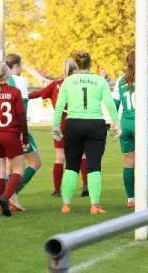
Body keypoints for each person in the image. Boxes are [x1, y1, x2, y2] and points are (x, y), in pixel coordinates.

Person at [52, 50, 120, 214]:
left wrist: (55, 126)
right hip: (95, 124)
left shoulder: (68, 81)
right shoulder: (99, 81)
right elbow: (109, 104)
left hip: (73, 124)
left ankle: (66, 205)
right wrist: (116, 123)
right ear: (90, 64)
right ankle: (94, 205)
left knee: (71, 166)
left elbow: (60, 105)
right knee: (94, 165)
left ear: (76, 64)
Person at [28, 59, 88, 197]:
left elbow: (38, 93)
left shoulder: (55, 85)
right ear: (76, 70)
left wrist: (23, 96)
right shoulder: (80, 85)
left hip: (60, 124)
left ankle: (57, 190)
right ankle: (85, 185)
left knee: (59, 158)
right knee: (82, 155)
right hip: (77, 122)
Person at [0, 62, 29, 216]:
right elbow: (21, 116)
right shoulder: (14, 92)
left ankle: (3, 207)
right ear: (8, 75)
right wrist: (25, 136)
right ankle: (5, 197)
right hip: (10, 133)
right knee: (18, 170)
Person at [113, 51, 148, 207]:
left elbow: (115, 103)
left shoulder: (120, 80)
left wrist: (115, 122)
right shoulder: (145, 78)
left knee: (128, 162)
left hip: (125, 124)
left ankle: (131, 199)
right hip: (140, 123)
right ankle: (144, 196)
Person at [4, 54, 42, 211]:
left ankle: (7, 200)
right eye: (21, 65)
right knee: (35, 162)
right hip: (17, 129)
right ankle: (10, 195)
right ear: (17, 65)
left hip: (1, 129)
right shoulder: (20, 82)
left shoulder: (0, 81)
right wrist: (23, 133)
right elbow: (22, 109)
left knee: (9, 167)